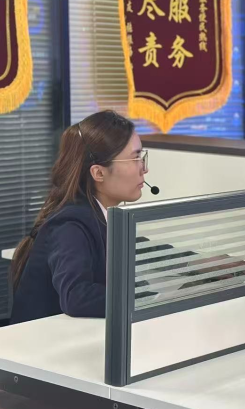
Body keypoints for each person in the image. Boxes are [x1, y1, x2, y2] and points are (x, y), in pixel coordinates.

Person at [9, 111, 147, 323]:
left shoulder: (99, 215)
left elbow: (140, 247)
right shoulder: (70, 224)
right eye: (135, 158)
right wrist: (145, 298)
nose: (144, 168)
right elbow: (77, 296)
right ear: (98, 173)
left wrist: (190, 263)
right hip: (43, 341)